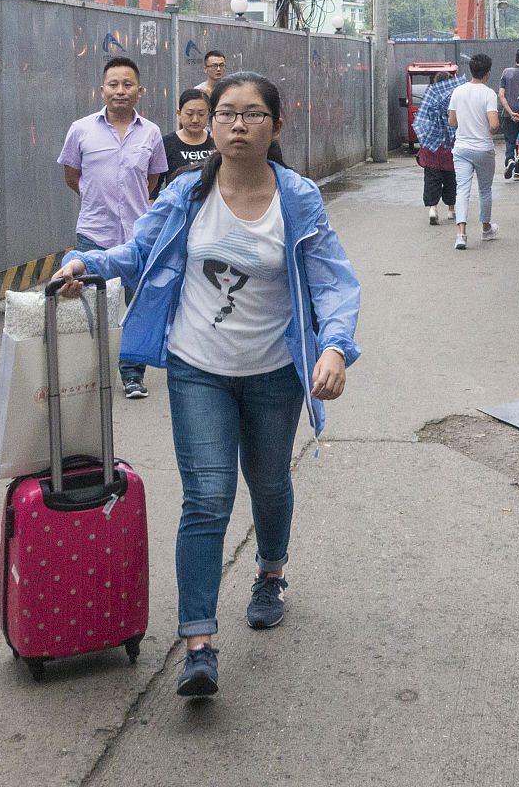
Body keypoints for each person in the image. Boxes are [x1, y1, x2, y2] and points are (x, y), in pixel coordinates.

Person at [50, 71, 361, 698]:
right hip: (197, 368)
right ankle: (198, 643)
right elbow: (138, 253)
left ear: (276, 125)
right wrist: (87, 261)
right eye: (226, 114)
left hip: (273, 372)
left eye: (252, 114)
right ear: (210, 124)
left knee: (268, 482)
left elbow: (332, 280)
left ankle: (270, 573)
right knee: (207, 497)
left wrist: (333, 347)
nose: (237, 124)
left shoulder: (297, 198)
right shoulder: (187, 194)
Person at [57, 55, 167, 398]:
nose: (121, 90)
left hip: (137, 236)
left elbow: (152, 179)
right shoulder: (81, 129)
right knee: (88, 303)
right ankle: (88, 375)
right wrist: (99, 199)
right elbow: (72, 176)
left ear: (139, 91)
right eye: (114, 84)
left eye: (128, 84)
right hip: (94, 233)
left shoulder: (151, 133)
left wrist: (129, 203)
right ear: (102, 90)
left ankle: (132, 374)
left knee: (137, 307)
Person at [448, 53, 501, 250]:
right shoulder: (489, 94)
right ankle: (486, 229)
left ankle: (461, 235)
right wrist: (486, 129)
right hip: (483, 149)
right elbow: (494, 125)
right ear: (488, 73)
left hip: (461, 148)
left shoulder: (458, 91)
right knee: (485, 190)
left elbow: (452, 122)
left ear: (470, 70)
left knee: (462, 189)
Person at [413, 71, 465, 225]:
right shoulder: (454, 97)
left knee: (432, 177)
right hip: (450, 144)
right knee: (451, 177)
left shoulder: (430, 97)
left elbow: (422, 119)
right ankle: (451, 210)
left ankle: (433, 209)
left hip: (432, 144)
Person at [153, 89, 216, 199]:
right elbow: (153, 187)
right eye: (189, 114)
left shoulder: (216, 141)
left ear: (208, 115)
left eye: (201, 114)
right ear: (179, 113)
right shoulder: (166, 143)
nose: (195, 120)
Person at [498, 50, 519, 179]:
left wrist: (511, 112)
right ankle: (518, 170)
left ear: (515, 59)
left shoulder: (506, 72)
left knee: (510, 140)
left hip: (508, 114)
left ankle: (510, 159)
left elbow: (501, 95)